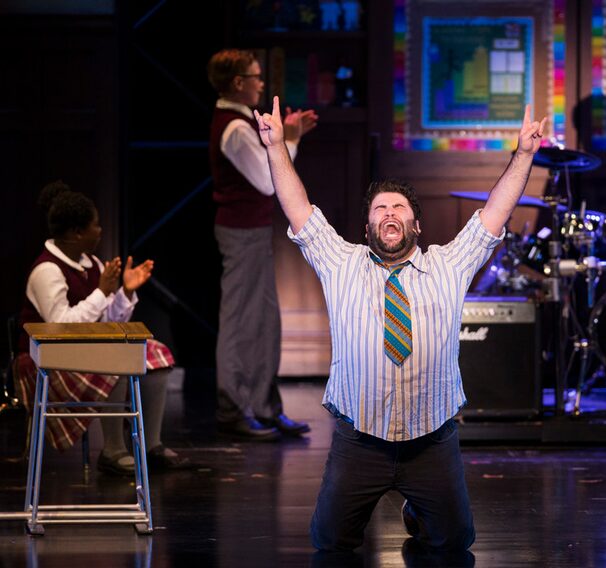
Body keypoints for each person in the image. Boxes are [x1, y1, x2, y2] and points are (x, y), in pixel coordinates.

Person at [253, 95, 547, 552]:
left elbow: (494, 214)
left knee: (455, 541)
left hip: (431, 439)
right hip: (360, 440)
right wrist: (275, 148)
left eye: (398, 209)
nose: (389, 213)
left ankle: (418, 506)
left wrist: (524, 155)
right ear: (367, 226)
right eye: (379, 210)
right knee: (329, 542)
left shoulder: (449, 265)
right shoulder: (341, 263)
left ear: (416, 225)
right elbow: (299, 209)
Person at [14, 181, 191, 475]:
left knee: (154, 354)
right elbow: (61, 327)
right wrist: (100, 292)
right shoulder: (46, 271)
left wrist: (125, 292)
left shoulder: (92, 264)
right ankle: (113, 449)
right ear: (76, 233)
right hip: (43, 360)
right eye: (95, 226)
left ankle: (150, 445)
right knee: (115, 361)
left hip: (82, 350)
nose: (100, 231)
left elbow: (109, 322)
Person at [207, 48, 318, 440]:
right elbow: (268, 180)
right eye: (255, 78)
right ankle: (233, 408)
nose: (260, 84)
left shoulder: (241, 122)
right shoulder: (234, 128)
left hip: (253, 231)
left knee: (265, 320)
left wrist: (288, 138)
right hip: (239, 233)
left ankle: (265, 407)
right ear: (238, 83)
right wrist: (289, 139)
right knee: (240, 322)